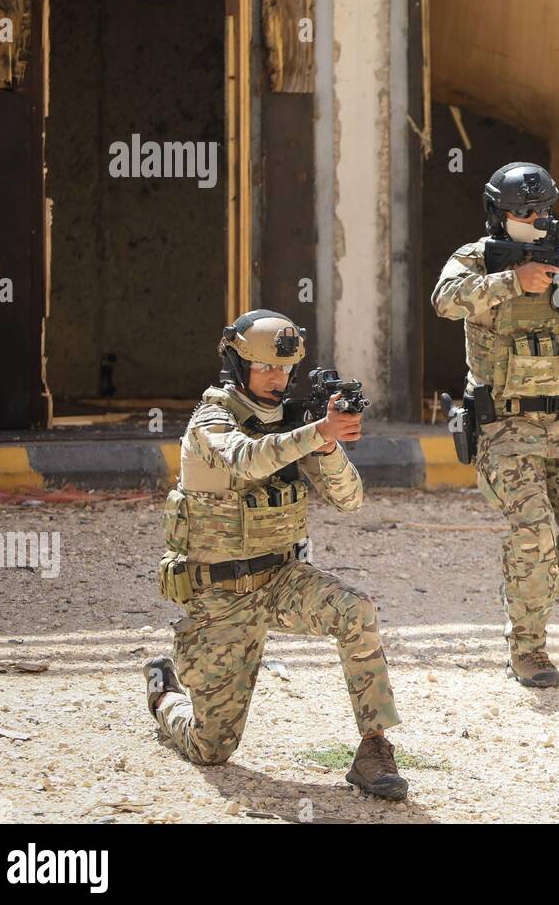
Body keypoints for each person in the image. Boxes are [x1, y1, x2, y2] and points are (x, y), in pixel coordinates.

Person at [142, 310, 408, 799]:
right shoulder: (211, 420)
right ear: (237, 366)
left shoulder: (295, 426)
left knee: (357, 610)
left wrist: (328, 449)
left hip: (283, 579)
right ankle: (164, 692)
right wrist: (318, 433)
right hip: (221, 595)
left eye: (284, 370)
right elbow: (246, 459)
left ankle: (374, 749)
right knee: (211, 747)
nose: (277, 379)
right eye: (265, 368)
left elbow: (351, 500)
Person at [431, 163, 559, 688]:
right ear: (499, 214)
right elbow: (445, 302)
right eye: (524, 211)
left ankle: (530, 598)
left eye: (543, 208)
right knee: (534, 536)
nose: (535, 218)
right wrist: (511, 280)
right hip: (505, 428)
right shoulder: (476, 259)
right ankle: (528, 646)